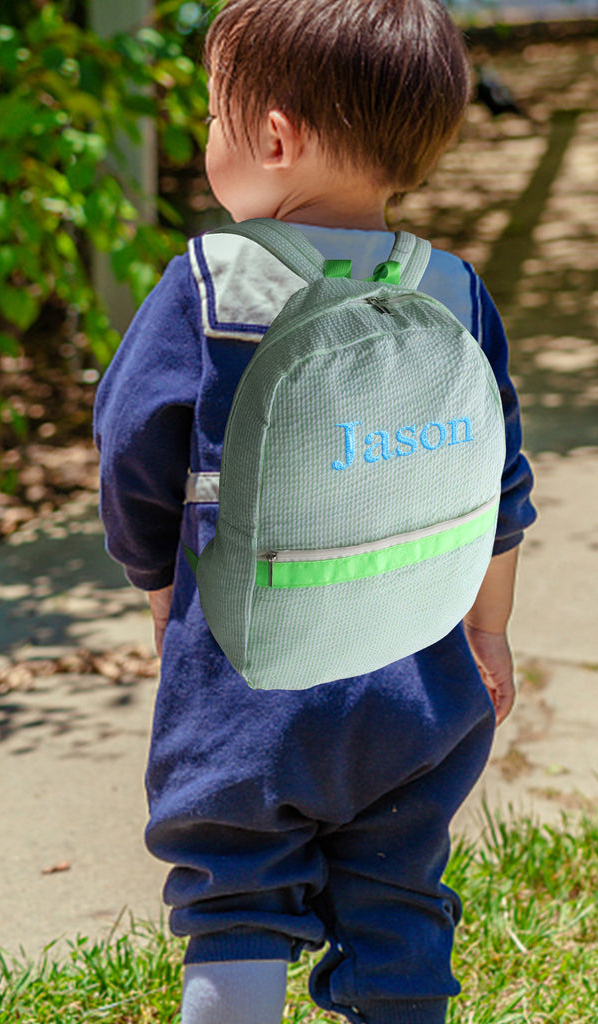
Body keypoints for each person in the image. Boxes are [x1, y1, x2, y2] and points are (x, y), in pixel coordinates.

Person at [93, 1, 537, 1022]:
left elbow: (131, 454)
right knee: (396, 893)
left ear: (275, 137)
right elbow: (500, 484)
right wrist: (491, 627)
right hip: (419, 682)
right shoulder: (454, 291)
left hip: (252, 683)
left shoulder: (206, 290)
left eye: (213, 114)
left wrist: (158, 584)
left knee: (235, 891)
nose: (209, 136)